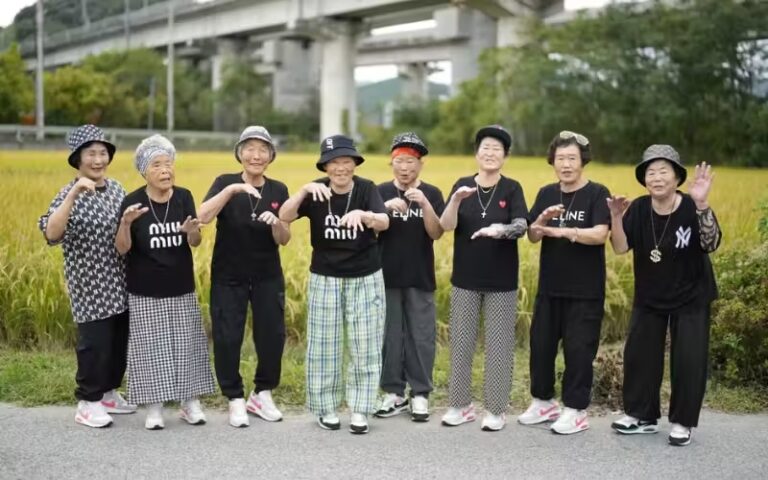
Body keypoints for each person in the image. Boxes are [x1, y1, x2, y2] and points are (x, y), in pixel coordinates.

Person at [607, 145, 721, 447]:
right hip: (650, 294)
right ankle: (641, 416)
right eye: (650, 172)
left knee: (688, 360)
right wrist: (617, 218)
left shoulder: (691, 206)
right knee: (639, 357)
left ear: (677, 177)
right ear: (644, 179)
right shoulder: (640, 208)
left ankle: (683, 422)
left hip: (691, 295)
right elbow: (620, 248)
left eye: (663, 172)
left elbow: (711, 243)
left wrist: (702, 204)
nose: (656, 178)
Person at [279, 135, 389, 434]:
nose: (341, 168)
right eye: (334, 162)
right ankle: (325, 408)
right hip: (325, 276)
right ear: (325, 167)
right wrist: (302, 192)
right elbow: (284, 216)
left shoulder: (366, 188)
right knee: (324, 344)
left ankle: (360, 409)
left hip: (365, 276)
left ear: (354, 163)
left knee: (365, 344)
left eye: (346, 161)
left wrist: (364, 215)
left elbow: (384, 221)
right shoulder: (315, 190)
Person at [115, 134, 216, 430]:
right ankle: (155, 407)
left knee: (187, 345)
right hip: (144, 288)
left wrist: (190, 230)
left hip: (180, 285)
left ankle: (189, 402)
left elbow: (195, 242)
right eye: (157, 164)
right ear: (145, 170)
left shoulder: (183, 196)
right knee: (149, 348)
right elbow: (122, 248)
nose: (165, 170)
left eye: (168, 164)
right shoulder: (132, 202)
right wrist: (125, 223)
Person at [38, 124, 136, 428]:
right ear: (78, 159)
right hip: (89, 284)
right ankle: (87, 402)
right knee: (95, 344)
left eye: (103, 153)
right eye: (91, 154)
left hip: (119, 281)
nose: (98, 160)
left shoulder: (117, 188)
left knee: (118, 342)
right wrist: (74, 193)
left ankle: (107, 393)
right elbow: (52, 233)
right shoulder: (70, 192)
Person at [517, 131, 611, 434]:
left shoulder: (597, 193)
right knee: (540, 346)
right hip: (550, 288)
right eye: (560, 159)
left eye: (572, 158)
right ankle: (543, 402)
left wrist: (565, 231)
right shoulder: (546, 193)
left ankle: (575, 409)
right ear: (552, 162)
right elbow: (532, 235)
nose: (566, 164)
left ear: (583, 160)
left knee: (578, 350)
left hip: (585, 291)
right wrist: (542, 221)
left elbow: (600, 234)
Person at [198, 126, 291, 428]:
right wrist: (231, 191)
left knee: (272, 336)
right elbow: (202, 217)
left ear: (271, 156)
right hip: (229, 275)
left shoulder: (278, 190)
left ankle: (262, 393)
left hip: (267, 275)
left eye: (262, 149)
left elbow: (285, 238)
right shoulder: (224, 182)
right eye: (249, 148)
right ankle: (235, 397)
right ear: (239, 153)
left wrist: (277, 222)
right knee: (227, 337)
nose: (256, 155)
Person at [439, 125, 528, 432]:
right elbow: (446, 225)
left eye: (497, 149)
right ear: (477, 153)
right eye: (485, 148)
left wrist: (499, 230)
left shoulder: (512, 188)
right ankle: (460, 406)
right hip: (464, 279)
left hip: (501, 282)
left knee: (499, 347)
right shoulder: (462, 185)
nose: (490, 153)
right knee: (461, 344)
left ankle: (495, 410)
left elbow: (521, 225)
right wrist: (455, 201)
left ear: (505, 156)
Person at [374, 132, 444, 422]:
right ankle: (393, 392)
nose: (405, 167)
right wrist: (385, 208)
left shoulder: (433, 193)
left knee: (421, 336)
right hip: (384, 275)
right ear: (392, 162)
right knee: (389, 336)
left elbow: (437, 232)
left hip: (420, 276)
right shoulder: (377, 191)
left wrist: (425, 204)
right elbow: (371, 231)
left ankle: (420, 394)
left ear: (421, 164)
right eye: (400, 161)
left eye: (411, 161)